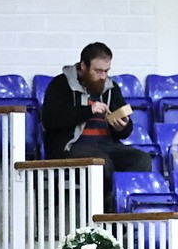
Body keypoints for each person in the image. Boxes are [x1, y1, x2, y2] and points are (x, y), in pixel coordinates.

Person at [41, 42, 152, 212]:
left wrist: (122, 127)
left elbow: (125, 130)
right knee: (102, 163)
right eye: (98, 71)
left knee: (141, 160)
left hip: (106, 145)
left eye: (106, 71)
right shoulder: (60, 85)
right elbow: (51, 120)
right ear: (83, 66)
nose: (102, 76)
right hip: (71, 147)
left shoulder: (111, 88)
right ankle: (105, 216)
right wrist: (88, 111)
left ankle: (131, 212)